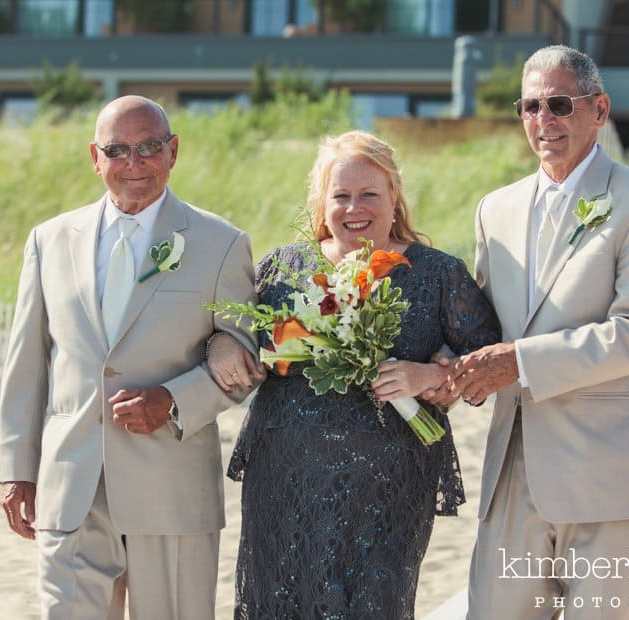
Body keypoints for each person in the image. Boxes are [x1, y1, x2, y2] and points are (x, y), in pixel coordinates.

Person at [208, 130, 501, 618]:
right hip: (286, 474)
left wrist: (424, 376)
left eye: (369, 194)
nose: (353, 208)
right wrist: (222, 345)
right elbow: (237, 337)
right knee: (279, 600)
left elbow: (484, 364)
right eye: (340, 195)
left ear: (394, 197)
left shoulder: (436, 273)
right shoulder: (283, 268)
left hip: (387, 486)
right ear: (322, 202)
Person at [0, 95, 256, 619]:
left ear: (173, 151)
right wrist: (17, 468)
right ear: (95, 157)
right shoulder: (48, 241)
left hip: (172, 493)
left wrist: (174, 400)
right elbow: (26, 363)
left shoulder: (221, 243)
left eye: (149, 147)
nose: (134, 164)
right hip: (71, 490)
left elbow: (244, 362)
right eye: (118, 150)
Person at [448, 45, 629, 618]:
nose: (543, 121)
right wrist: (440, 367)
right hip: (513, 472)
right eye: (530, 106)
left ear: (599, 110)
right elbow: (481, 327)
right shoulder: (494, 209)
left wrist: (519, 363)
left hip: (611, 476)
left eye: (559, 104)